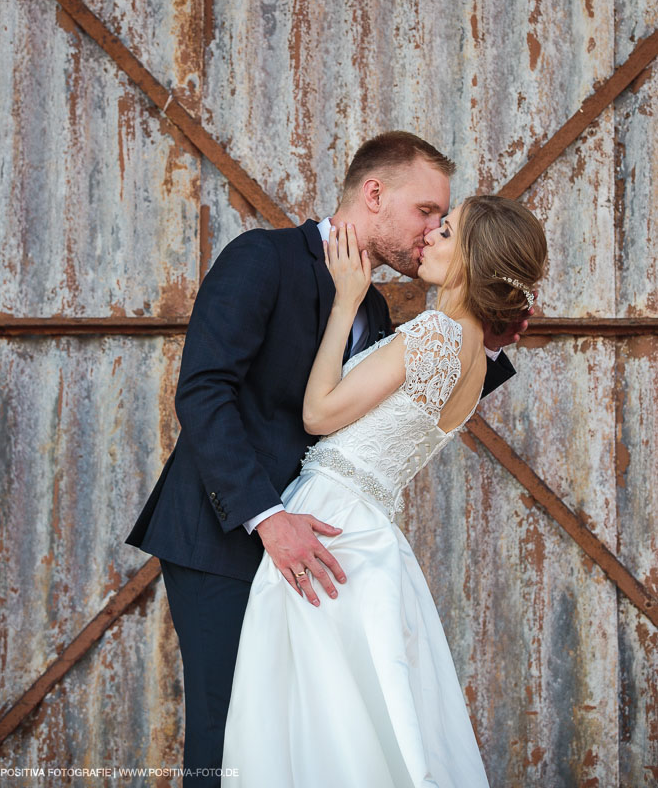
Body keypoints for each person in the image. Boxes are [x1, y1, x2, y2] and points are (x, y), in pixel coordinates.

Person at [125, 132, 527, 786]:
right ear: (374, 194)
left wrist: (488, 338)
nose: (430, 232)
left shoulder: (366, 300)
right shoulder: (264, 258)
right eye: (426, 212)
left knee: (307, 738)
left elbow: (401, 402)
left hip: (325, 538)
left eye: (441, 222)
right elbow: (202, 391)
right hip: (228, 537)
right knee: (230, 737)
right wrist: (267, 516)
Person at [221, 197, 547, 787]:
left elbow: (319, 414)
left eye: (445, 230)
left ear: (471, 258)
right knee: (354, 716)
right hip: (366, 527)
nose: (428, 238)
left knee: (310, 718)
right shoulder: (473, 356)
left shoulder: (437, 334)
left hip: (331, 518)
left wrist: (346, 301)